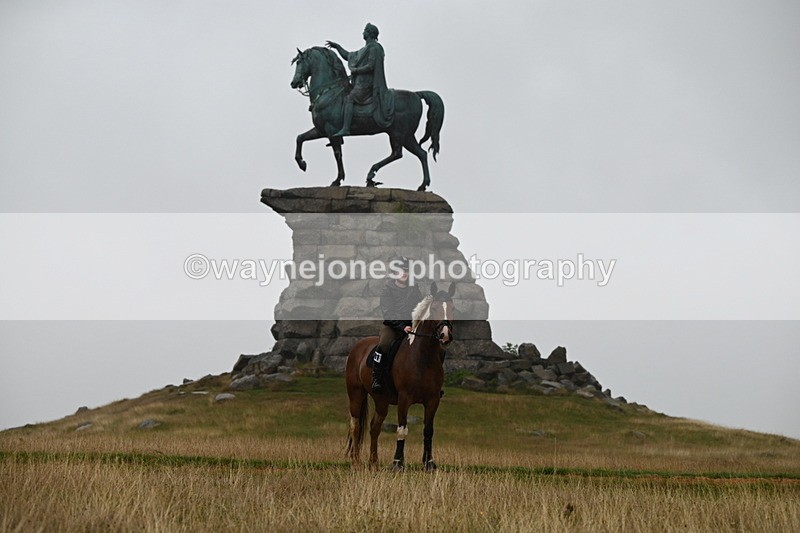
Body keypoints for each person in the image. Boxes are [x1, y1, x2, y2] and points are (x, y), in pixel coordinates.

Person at [326, 22, 395, 136]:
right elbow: (348, 56)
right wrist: (337, 47)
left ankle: (346, 128)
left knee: (350, 98)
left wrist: (356, 70)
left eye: (365, 31)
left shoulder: (374, 48)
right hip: (359, 83)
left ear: (369, 33)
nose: (363, 33)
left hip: (367, 84)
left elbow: (371, 66)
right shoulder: (364, 49)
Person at [372, 256, 422, 394]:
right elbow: (388, 313)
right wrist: (402, 327)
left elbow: (420, 307)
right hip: (393, 327)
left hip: (412, 326)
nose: (404, 273)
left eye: (406, 270)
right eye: (400, 270)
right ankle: (376, 377)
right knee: (384, 344)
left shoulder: (414, 288)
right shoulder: (387, 290)